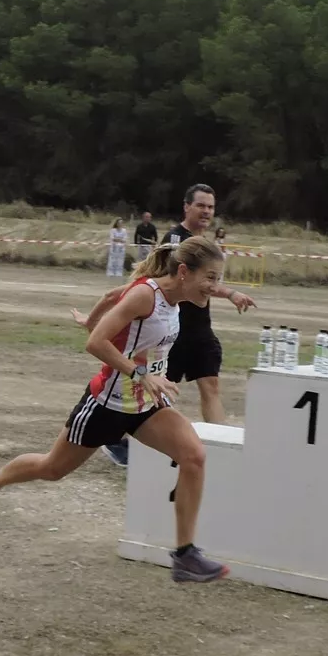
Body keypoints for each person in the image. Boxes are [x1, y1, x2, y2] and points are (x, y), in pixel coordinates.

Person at [0, 237, 231, 584]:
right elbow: (95, 343)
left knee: (194, 455)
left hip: (144, 407)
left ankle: (185, 555)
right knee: (52, 468)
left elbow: (110, 299)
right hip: (105, 405)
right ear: (183, 272)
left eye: (218, 279)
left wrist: (148, 376)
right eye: (210, 278)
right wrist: (136, 370)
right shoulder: (145, 295)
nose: (215, 287)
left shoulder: (176, 299)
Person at [76, 184, 254, 467]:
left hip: (198, 331)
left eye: (211, 206)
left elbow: (207, 283)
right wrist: (93, 321)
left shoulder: (203, 244)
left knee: (210, 386)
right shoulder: (177, 242)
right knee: (148, 391)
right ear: (187, 207)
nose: (207, 211)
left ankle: (219, 452)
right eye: (201, 205)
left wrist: (230, 293)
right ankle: (120, 440)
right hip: (168, 335)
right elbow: (129, 290)